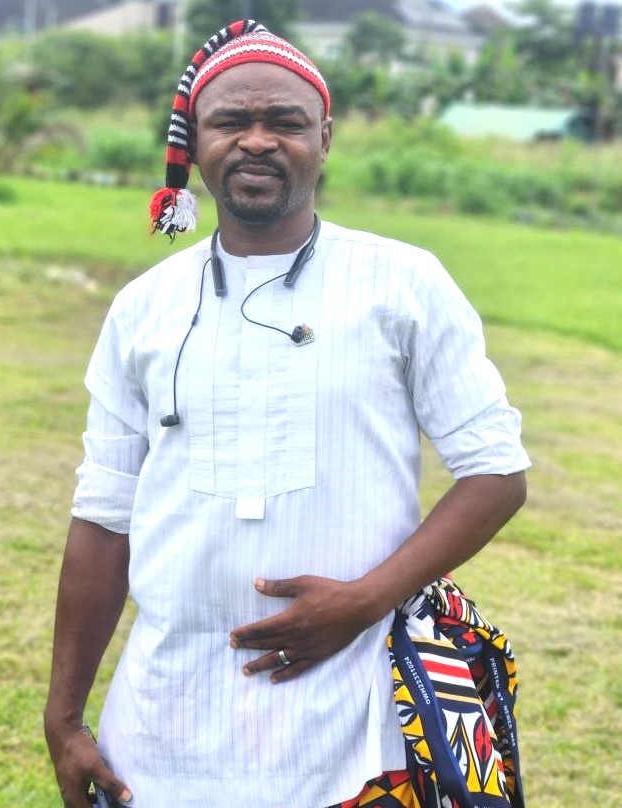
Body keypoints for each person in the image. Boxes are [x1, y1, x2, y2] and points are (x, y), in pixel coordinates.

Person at [44, 20, 530, 808]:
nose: (257, 141)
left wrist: (363, 601)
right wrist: (64, 717)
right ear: (195, 142)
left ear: (324, 138)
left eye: (285, 121)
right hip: (166, 724)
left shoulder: (403, 284)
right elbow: (103, 517)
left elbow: (497, 472)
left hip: (354, 722)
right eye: (231, 121)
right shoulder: (144, 308)